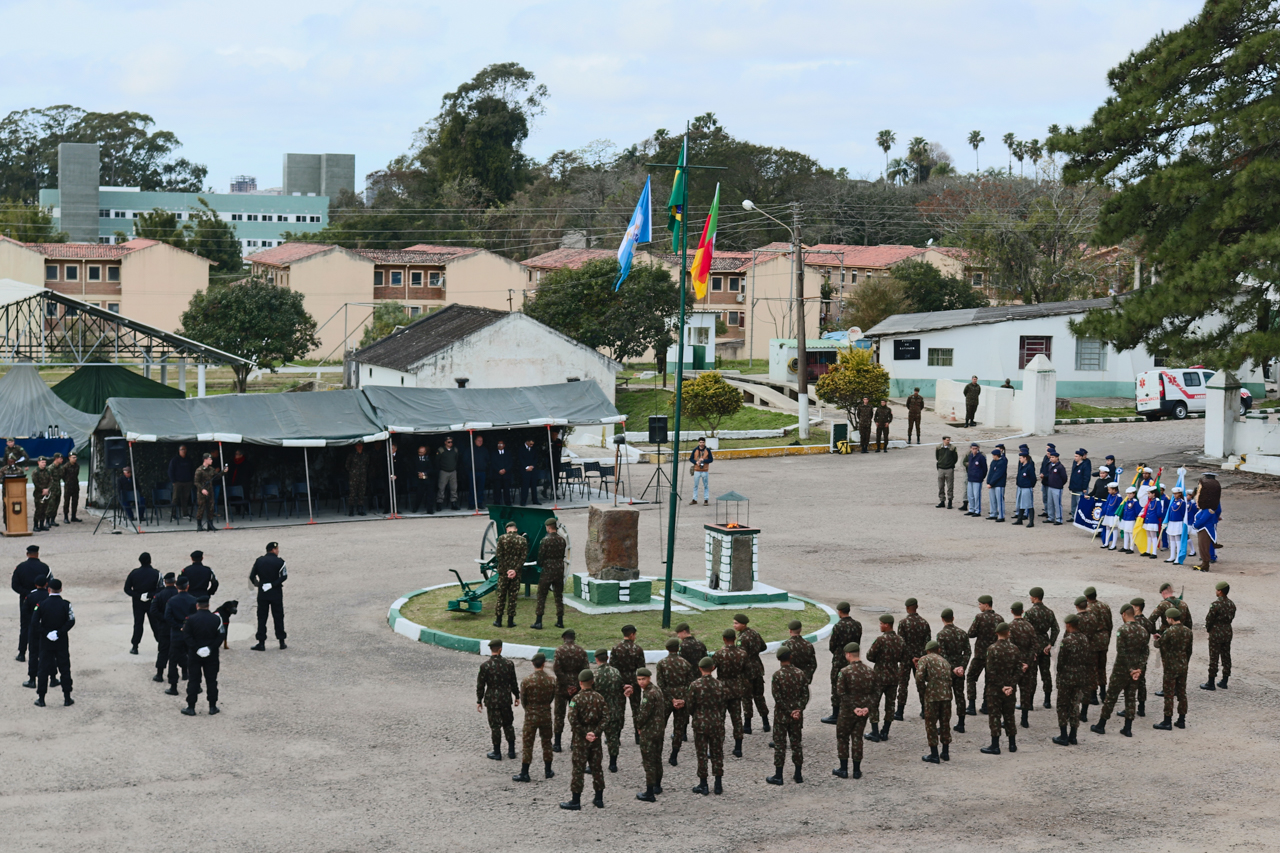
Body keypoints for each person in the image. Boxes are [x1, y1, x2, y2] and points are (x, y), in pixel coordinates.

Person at [1090, 603, 1148, 737]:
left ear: (1123, 615)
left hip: (1121, 670)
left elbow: (1121, 652)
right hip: (1135, 673)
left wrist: (1130, 669)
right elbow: (1145, 652)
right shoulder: (1143, 630)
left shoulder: (1122, 630)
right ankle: (1127, 728)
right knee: (1130, 697)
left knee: (1111, 697)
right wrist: (1138, 669)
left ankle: (1101, 724)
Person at [561, 669, 607, 811]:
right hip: (596, 739)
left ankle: (576, 801)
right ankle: (599, 799)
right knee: (597, 768)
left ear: (580, 683)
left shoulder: (576, 699)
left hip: (581, 740)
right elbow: (606, 718)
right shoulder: (600, 698)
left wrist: (584, 733)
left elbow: (572, 720)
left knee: (578, 769)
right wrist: (595, 732)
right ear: (592, 681)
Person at [833, 642, 876, 779]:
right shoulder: (870, 671)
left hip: (848, 711)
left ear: (848, 654)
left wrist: (854, 707)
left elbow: (841, 693)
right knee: (857, 738)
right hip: (863, 712)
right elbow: (876, 692)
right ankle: (857, 771)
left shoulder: (844, 672)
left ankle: (843, 769)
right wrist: (867, 707)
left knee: (843, 737)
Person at [765, 647, 808, 785]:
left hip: (781, 716)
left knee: (780, 745)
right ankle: (798, 774)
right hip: (797, 716)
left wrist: (788, 710)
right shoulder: (800, 673)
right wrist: (798, 709)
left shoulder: (777, 675)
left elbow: (777, 697)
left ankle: (779, 776)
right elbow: (805, 695)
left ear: (779, 659)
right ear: (791, 657)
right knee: (796, 744)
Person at [979, 622, 1023, 755]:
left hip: (995, 689)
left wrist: (1002, 686)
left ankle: (995, 745)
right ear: (1008, 633)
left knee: (995, 716)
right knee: (1009, 715)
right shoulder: (1015, 649)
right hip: (1010, 689)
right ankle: (1012, 744)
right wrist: (1011, 685)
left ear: (997, 633)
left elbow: (990, 672)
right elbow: (1019, 670)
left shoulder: (992, 649)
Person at [686, 656, 727, 795]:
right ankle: (718, 784)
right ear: (713, 668)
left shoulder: (695, 685)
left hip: (700, 723)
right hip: (716, 723)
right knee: (717, 753)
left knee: (702, 753)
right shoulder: (720, 685)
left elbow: (690, 706)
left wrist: (697, 716)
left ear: (699, 668)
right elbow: (723, 705)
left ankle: (703, 784)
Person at [513, 652, 556, 783]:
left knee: (528, 744)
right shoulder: (551, 680)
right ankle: (548, 770)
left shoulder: (527, 681)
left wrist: (529, 709)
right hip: (545, 714)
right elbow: (551, 698)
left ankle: (525, 772)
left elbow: (524, 699)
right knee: (547, 742)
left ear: (533, 664)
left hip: (531, 715)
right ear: (544, 663)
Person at [32, 577, 74, 707]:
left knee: (43, 669)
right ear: (61, 589)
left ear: (48, 589)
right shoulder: (66, 604)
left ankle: (41, 698)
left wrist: (46, 633)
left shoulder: (41, 604)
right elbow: (71, 621)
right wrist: (59, 632)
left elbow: (34, 622)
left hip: (46, 642)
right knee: (64, 668)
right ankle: (67, 698)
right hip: (61, 641)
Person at [864, 613, 905, 743]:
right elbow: (902, 658)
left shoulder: (880, 640)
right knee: (890, 705)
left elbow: (870, 656)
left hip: (880, 677)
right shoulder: (900, 640)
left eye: (881, 623)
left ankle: (875, 732)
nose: (880, 626)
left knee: (873, 703)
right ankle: (885, 731)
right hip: (893, 676)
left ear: (887, 625)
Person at [1051, 613, 1091, 746]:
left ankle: (1063, 735)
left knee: (1062, 705)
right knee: (1075, 705)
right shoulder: (1085, 638)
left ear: (1068, 625)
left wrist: (1059, 674)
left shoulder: (1067, 641)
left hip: (1067, 677)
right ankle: (1073, 735)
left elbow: (1061, 662)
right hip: (1080, 676)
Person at [476, 639, 519, 759]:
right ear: (501, 649)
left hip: (492, 700)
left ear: (491, 649)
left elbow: (481, 685)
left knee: (495, 726)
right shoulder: (509, 664)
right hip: (506, 698)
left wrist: (479, 700)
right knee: (508, 724)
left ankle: (497, 752)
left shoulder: (485, 666)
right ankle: (511, 751)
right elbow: (513, 682)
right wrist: (517, 696)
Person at [181, 595, 223, 716]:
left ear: (197, 606)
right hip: (212, 655)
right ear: (208, 605)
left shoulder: (190, 619)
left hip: (195, 655)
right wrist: (210, 648)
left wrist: (196, 648)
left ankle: (191, 707)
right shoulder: (217, 619)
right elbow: (221, 636)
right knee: (211, 680)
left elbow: (187, 636)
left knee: (194, 680)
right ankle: (212, 706)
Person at [822, 602, 862, 723]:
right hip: (853, 659)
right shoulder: (857, 625)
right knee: (852, 684)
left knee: (836, 685)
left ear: (840, 611)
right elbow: (857, 642)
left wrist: (838, 653)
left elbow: (832, 645)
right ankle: (852, 710)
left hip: (840, 659)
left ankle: (836, 714)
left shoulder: (838, 626)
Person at [656, 637, 694, 766]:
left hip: (667, 699)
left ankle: (657, 753)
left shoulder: (662, 663)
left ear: (667, 649)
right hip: (682, 699)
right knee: (679, 728)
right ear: (678, 648)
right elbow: (690, 684)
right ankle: (674, 755)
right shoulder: (686, 664)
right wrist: (683, 699)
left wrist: (671, 698)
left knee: (661, 726)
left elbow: (660, 684)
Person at [1153, 609, 1192, 730]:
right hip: (1183, 665)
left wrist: (1156, 639)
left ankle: (1167, 720)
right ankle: (1181, 720)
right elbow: (1189, 650)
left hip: (1170, 666)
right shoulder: (1188, 631)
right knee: (1182, 693)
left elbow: (1158, 644)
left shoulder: (1169, 632)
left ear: (1170, 618)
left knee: (1169, 694)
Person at [915, 640, 953, 764]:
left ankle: (934, 754)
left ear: (927, 651)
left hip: (932, 696)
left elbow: (919, 678)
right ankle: (946, 752)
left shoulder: (925, 659)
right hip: (946, 695)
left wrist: (923, 692)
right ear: (939, 650)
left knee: (931, 724)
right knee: (945, 723)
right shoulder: (945, 661)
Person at [551, 629, 587, 753]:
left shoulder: (559, 650)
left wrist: (566, 685)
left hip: (562, 688)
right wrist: (576, 685)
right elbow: (585, 671)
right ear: (573, 638)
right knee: (575, 714)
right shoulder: (581, 651)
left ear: (564, 638)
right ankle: (574, 742)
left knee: (559, 715)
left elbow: (556, 669)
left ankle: (557, 743)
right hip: (576, 690)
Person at [633, 667, 667, 801]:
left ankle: (649, 792)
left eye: (643, 679)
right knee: (657, 758)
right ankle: (657, 786)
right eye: (639, 679)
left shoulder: (648, 694)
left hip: (649, 731)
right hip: (659, 730)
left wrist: (638, 726)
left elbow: (643, 714)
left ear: (649, 678)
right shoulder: (657, 690)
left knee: (649, 761)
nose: (641, 682)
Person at [713, 628, 747, 757]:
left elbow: (711, 667)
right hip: (736, 688)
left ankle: (717, 747)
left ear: (724, 639)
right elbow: (746, 670)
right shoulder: (742, 654)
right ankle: (738, 748)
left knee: (719, 719)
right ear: (735, 639)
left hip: (722, 689)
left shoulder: (719, 654)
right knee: (737, 719)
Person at [935, 609, 971, 733]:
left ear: (942, 619)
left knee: (945, 699)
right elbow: (967, 652)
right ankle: (961, 724)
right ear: (953, 618)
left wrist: (952, 668)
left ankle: (944, 725)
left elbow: (942, 655)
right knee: (960, 696)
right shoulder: (962, 633)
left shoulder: (941, 635)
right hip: (960, 671)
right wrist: (962, 667)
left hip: (947, 672)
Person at [966, 595, 1003, 715]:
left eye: (980, 604)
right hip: (993, 655)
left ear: (986, 605)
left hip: (980, 654)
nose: (979, 606)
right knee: (990, 680)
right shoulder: (999, 618)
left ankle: (971, 705)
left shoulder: (979, 617)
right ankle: (986, 705)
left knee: (971, 677)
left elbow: (971, 633)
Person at [13, 544, 50, 662]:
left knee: (25, 625)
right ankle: (42, 651)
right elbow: (51, 583)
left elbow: (15, 585)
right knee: (43, 624)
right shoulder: (45, 567)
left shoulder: (20, 567)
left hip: (25, 599)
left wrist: (27, 593)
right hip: (42, 599)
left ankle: (22, 653)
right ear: (37, 554)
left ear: (27, 554)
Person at [895, 599, 931, 719]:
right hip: (920, 659)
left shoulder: (903, 623)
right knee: (921, 684)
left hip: (906, 659)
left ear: (907, 608)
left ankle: (900, 712)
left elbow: (901, 643)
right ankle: (925, 709)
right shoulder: (924, 623)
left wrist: (909, 657)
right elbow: (928, 643)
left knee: (903, 685)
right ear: (917, 607)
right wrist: (919, 657)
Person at [734, 613, 769, 734]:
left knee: (747, 698)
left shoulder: (742, 638)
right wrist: (754, 652)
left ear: (743, 624)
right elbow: (763, 647)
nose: (734, 625)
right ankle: (766, 723)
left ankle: (747, 725)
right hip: (758, 669)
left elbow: (740, 656)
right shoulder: (755, 633)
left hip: (747, 672)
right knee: (759, 696)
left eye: (736, 623)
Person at [249, 542, 288, 651]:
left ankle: (261, 643)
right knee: (278, 616)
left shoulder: (259, 561)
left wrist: (259, 585)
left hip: (263, 593)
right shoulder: (280, 562)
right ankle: (281, 641)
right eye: (277, 549)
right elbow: (284, 576)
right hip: (276, 592)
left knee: (262, 617)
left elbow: (252, 576)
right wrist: (273, 584)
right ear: (274, 549)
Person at [610, 626, 646, 741]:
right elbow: (641, 670)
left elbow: (613, 669)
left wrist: (622, 685)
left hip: (619, 684)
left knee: (619, 710)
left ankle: (616, 735)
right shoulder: (638, 649)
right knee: (636, 709)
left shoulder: (615, 649)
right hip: (635, 683)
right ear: (632, 635)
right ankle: (638, 735)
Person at [1026, 587, 1059, 709]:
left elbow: (1026, 631)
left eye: (1030, 596)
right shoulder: (1049, 612)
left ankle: (1029, 702)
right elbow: (1056, 628)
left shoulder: (1029, 613)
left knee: (1032, 675)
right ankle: (1047, 700)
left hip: (1034, 645)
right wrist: (1051, 643)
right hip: (1045, 645)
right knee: (1046, 674)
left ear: (1035, 597)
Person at [531, 518, 567, 630]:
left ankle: (539, 621)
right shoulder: (562, 540)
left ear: (548, 527)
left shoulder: (545, 540)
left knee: (542, 596)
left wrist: (540, 564)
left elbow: (541, 557)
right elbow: (562, 554)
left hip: (547, 571)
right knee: (558, 596)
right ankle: (560, 621)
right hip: (559, 570)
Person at [163, 576, 197, 694]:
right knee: (193, 660)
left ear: (177, 586)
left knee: (173, 661)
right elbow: (196, 617)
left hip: (177, 634)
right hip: (190, 634)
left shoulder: (172, 601)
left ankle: (173, 686)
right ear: (188, 586)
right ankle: (195, 685)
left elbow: (167, 617)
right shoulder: (194, 600)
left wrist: (178, 626)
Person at [1007, 602, 1038, 729]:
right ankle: (1024, 719)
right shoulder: (1029, 626)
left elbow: (1011, 648)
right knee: (1025, 691)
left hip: (1015, 665)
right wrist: (1028, 662)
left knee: (1011, 691)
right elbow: (1035, 645)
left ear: (1011, 611)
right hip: (1028, 664)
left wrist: (1019, 663)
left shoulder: (1010, 627)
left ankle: (1009, 719)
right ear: (1023, 611)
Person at [594, 648, 626, 772]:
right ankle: (613, 764)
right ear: (607, 658)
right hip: (613, 709)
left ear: (597, 659)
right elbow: (620, 687)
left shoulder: (595, 675)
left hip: (598, 712)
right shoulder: (616, 672)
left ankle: (594, 764)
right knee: (613, 738)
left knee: (595, 739)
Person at [123, 552, 161, 655]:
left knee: (138, 624)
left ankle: (135, 646)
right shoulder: (156, 573)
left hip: (137, 602)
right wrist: (150, 595)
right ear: (150, 560)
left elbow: (127, 589)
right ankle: (161, 644)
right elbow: (161, 589)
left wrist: (138, 595)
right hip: (152, 602)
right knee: (155, 624)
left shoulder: (134, 573)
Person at [1202, 580, 1236, 690]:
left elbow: (1209, 619)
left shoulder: (1215, 604)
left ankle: (1211, 682)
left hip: (1216, 633)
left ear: (1220, 591)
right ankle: (1224, 680)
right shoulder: (1231, 604)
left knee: (1214, 657)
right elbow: (1231, 617)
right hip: (1227, 631)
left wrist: (1209, 629)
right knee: (1226, 656)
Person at [19, 574, 51, 690]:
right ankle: (52, 677)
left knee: (33, 654)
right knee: (50, 654)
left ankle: (32, 679)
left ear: (36, 585)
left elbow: (25, 613)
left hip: (34, 629)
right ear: (46, 584)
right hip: (47, 629)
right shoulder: (49, 596)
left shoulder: (30, 597)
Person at [491, 521, 525, 629]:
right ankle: (510, 621)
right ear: (516, 529)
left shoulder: (502, 539)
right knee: (513, 597)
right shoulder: (522, 540)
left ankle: (498, 620)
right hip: (516, 574)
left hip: (503, 573)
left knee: (501, 596)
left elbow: (499, 556)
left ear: (507, 529)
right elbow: (523, 558)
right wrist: (514, 570)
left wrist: (507, 570)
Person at [1085, 586, 1113, 705]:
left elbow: (1088, 627)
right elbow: (1110, 623)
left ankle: (1093, 695)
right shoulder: (1105, 606)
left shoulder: (1088, 609)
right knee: (1102, 666)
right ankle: (1103, 691)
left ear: (1087, 597)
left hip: (1094, 641)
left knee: (1093, 668)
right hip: (1104, 638)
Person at [148, 573, 178, 683]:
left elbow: (153, 610)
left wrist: (164, 618)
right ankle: (184, 673)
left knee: (163, 651)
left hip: (164, 628)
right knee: (181, 651)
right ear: (174, 581)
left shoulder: (160, 595)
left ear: (165, 582)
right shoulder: (178, 594)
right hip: (177, 627)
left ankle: (159, 674)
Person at [1191, 473, 1222, 572]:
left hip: (1205, 529)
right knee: (1202, 546)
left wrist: (1195, 525)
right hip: (1204, 528)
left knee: (1204, 546)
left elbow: (1202, 520)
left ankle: (1205, 564)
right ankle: (1204, 563)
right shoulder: (1206, 509)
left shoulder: (1208, 510)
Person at [193, 454, 227, 532]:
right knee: (201, 507)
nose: (211, 460)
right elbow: (196, 482)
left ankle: (210, 525)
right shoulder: (199, 470)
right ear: (205, 460)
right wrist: (202, 489)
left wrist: (223, 472)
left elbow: (217, 476)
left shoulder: (211, 469)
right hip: (202, 492)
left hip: (210, 491)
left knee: (211, 507)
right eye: (210, 459)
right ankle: (199, 525)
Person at [783, 619, 818, 685]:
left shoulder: (786, 645)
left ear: (790, 630)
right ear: (801, 629)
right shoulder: (808, 645)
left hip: (790, 680)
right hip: (804, 680)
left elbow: (784, 664)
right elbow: (813, 664)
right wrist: (806, 678)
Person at [168, 444, 195, 521]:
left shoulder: (188, 459)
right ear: (179, 451)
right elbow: (170, 471)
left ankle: (185, 513)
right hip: (177, 482)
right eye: (182, 449)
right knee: (175, 498)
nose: (184, 451)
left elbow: (192, 470)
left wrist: (191, 480)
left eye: (185, 449)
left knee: (185, 498)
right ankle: (173, 514)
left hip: (187, 482)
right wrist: (173, 481)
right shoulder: (175, 460)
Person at [1164, 486, 1189, 563]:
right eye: (1174, 494)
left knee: (1177, 539)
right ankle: (1172, 556)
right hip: (1172, 522)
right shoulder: (1173, 501)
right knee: (1172, 539)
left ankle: (1178, 557)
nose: (1175, 495)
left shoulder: (1182, 502)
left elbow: (1183, 513)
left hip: (1178, 522)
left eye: (1176, 494)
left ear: (1180, 494)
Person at [1013, 446, 1036, 528]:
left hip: (1026, 487)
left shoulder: (1029, 467)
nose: (1020, 459)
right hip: (1021, 487)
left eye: (1021, 458)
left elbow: (1033, 478)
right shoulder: (1022, 466)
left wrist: (1030, 485)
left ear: (1025, 458)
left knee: (1029, 505)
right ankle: (1020, 519)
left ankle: (1031, 521)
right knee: (1021, 504)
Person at [344, 441, 369, 516]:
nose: (359, 447)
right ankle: (351, 510)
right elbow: (347, 465)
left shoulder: (365, 455)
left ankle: (360, 509)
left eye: (361, 445)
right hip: (353, 478)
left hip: (363, 477)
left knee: (361, 494)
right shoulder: (352, 455)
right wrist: (352, 472)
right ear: (355, 446)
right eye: (358, 446)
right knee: (352, 494)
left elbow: (367, 464)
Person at [436, 436, 460, 510]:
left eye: (451, 442)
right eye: (449, 442)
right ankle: (439, 503)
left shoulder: (455, 450)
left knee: (454, 488)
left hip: (453, 471)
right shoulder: (441, 450)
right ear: (445, 442)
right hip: (444, 471)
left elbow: (457, 459)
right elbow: (437, 461)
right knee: (441, 488)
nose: (450, 443)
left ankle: (453, 503)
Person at [409, 445, 435, 514]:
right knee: (419, 495)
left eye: (422, 452)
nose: (420, 454)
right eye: (419, 452)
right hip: (418, 480)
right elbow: (412, 468)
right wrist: (418, 473)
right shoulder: (414, 459)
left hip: (428, 479)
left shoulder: (429, 458)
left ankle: (430, 509)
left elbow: (432, 468)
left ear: (425, 452)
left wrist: (424, 473)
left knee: (430, 495)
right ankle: (415, 508)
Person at [1044, 450, 1068, 524]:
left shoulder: (1060, 467)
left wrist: (1059, 484)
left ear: (1057, 458)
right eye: (1051, 457)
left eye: (1053, 457)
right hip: (1050, 487)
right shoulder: (1050, 465)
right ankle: (1050, 517)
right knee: (1050, 503)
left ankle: (1059, 519)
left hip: (1057, 488)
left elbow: (1064, 478)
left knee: (1057, 504)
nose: (1051, 459)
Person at [963, 442, 986, 517]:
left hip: (977, 479)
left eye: (976, 449)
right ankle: (971, 509)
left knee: (977, 495)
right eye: (973, 449)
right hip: (970, 478)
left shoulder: (981, 457)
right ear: (970, 449)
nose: (974, 450)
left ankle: (977, 510)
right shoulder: (970, 456)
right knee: (970, 495)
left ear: (978, 448)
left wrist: (981, 477)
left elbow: (985, 468)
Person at [32, 457, 55, 531]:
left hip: (46, 493)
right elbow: (36, 483)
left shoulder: (48, 471)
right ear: (38, 462)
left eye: (45, 462)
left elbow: (51, 481)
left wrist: (47, 489)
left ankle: (42, 525)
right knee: (38, 510)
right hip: (39, 494)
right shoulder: (35, 472)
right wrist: (42, 490)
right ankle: (35, 525)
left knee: (44, 509)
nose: (44, 464)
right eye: (42, 462)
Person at [935, 436, 958, 509]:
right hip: (941, 468)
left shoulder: (952, 448)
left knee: (950, 486)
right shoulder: (939, 447)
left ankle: (950, 501)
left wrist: (951, 464)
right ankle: (942, 501)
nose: (948, 441)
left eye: (949, 440)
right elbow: (937, 457)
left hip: (949, 468)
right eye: (947, 440)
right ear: (943, 440)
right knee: (940, 486)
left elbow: (955, 458)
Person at [1068, 448, 1092, 519]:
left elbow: (1086, 477)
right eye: (1075, 456)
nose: (1075, 458)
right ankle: (1073, 516)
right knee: (1073, 503)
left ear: (1081, 457)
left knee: (1080, 503)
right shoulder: (1075, 463)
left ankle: (1080, 517)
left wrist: (1084, 487)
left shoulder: (1085, 464)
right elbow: (1073, 475)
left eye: (1077, 456)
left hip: (1080, 487)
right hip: (1074, 486)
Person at [518, 437, 542, 506]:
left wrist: (532, 466)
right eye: (530, 444)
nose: (532, 445)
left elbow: (536, 458)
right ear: (527, 442)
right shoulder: (521, 449)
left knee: (534, 485)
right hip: (524, 470)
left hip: (533, 469)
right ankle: (523, 501)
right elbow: (520, 459)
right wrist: (526, 467)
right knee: (525, 486)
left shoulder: (533, 449)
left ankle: (535, 500)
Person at [689, 437, 713, 505]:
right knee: (695, 485)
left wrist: (704, 460)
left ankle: (706, 499)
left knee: (705, 485)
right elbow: (691, 458)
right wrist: (696, 462)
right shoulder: (695, 450)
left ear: (704, 442)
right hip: (697, 469)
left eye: (703, 442)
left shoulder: (707, 450)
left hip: (705, 470)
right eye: (700, 442)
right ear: (698, 442)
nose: (702, 443)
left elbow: (711, 460)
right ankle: (694, 499)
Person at [986, 446, 1007, 522]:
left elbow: (998, 474)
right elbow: (991, 472)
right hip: (992, 484)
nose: (992, 457)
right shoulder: (993, 462)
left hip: (999, 484)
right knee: (992, 500)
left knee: (999, 501)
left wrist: (991, 483)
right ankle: (993, 514)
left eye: (993, 455)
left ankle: (1001, 516)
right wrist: (988, 481)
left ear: (996, 455)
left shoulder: (1002, 462)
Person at [469, 434, 490, 510]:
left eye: (481, 441)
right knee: (472, 489)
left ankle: (479, 503)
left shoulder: (484, 450)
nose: (480, 442)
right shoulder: (470, 449)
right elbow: (466, 460)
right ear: (475, 441)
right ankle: (471, 504)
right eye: (478, 440)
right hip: (473, 472)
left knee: (481, 489)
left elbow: (487, 460)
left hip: (482, 472)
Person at [60, 451, 81, 523]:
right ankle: (66, 517)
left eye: (76, 457)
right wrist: (67, 481)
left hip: (75, 486)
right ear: (69, 458)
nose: (75, 459)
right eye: (73, 457)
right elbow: (62, 476)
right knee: (67, 502)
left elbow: (76, 474)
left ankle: (73, 516)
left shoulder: (77, 466)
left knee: (75, 502)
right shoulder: (65, 467)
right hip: (68, 487)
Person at [1119, 486, 1141, 553]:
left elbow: (1138, 511)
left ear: (1134, 494)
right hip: (1125, 519)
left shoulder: (1135, 502)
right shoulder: (1127, 501)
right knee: (1126, 532)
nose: (1129, 495)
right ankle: (1125, 547)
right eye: (1128, 494)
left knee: (1131, 533)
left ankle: (1131, 548)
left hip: (1131, 519)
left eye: (1130, 493)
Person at [491, 440, 513, 506]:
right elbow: (493, 463)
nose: (500, 446)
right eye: (498, 445)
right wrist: (498, 470)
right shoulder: (494, 453)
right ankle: (497, 502)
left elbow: (510, 463)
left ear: (504, 445)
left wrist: (505, 470)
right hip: (497, 475)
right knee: (497, 489)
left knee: (506, 489)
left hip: (506, 474)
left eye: (501, 444)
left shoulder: (508, 453)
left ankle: (507, 502)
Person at [1100, 482, 1122, 549]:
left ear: (1114, 490)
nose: (1108, 491)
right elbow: (1107, 504)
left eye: (1109, 490)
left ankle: (1113, 544)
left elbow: (1119, 506)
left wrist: (1117, 515)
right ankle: (1106, 543)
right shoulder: (1109, 495)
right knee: (1107, 528)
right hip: (1108, 514)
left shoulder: (1118, 497)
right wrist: (1103, 512)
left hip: (1113, 515)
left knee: (1114, 529)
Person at [1037, 443, 1055, 516]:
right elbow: (1042, 466)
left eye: (1048, 448)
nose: (1046, 450)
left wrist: (1045, 476)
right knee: (1044, 497)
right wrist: (1041, 473)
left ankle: (1050, 512)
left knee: (1049, 498)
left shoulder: (1053, 460)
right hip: (1044, 481)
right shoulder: (1045, 457)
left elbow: (1052, 472)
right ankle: (1046, 510)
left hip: (1049, 482)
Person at [46, 453, 63, 527]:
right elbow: (47, 479)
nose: (62, 460)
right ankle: (47, 521)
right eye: (60, 459)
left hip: (58, 489)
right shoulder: (50, 468)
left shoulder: (59, 468)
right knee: (50, 505)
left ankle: (53, 520)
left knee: (56, 505)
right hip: (52, 489)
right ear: (56, 459)